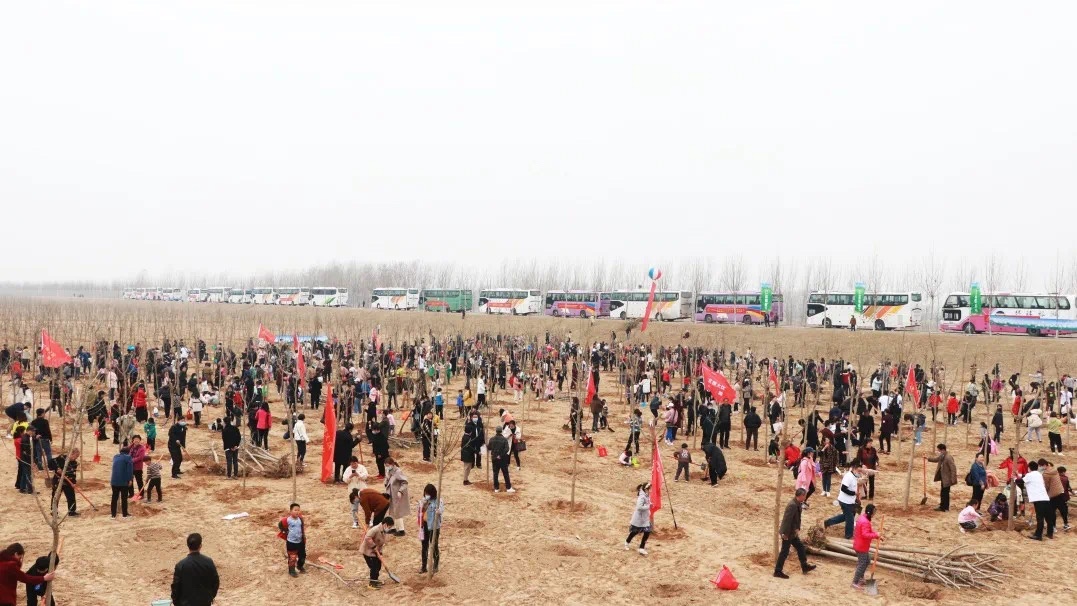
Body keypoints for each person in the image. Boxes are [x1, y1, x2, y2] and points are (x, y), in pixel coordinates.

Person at [774, 488, 816, 579]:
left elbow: (796, 518)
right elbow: (787, 520)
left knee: (800, 547)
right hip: (788, 533)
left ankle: (804, 566)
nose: (805, 497)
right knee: (784, 552)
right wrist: (784, 534)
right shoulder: (792, 505)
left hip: (792, 532)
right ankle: (777, 571)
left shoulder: (797, 503)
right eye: (804, 496)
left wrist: (797, 529)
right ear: (801, 496)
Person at [170, 533, 219, 606]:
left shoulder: (180, 565)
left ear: (188, 545)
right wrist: (210, 597)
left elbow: (175, 588)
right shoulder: (208, 562)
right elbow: (215, 582)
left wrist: (177, 603)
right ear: (200, 545)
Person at [824, 461, 863, 539]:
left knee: (846, 516)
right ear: (854, 468)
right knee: (850, 519)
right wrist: (854, 493)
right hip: (845, 501)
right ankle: (848, 535)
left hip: (851, 501)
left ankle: (828, 522)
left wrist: (856, 498)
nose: (859, 473)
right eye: (859, 471)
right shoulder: (848, 476)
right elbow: (843, 489)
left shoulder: (854, 476)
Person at [851, 503, 882, 590]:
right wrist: (876, 534)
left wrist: (877, 536)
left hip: (860, 545)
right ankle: (855, 582)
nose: (874, 514)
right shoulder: (865, 522)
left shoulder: (863, 518)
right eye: (874, 512)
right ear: (871, 513)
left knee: (867, 561)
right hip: (861, 547)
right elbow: (865, 534)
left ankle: (860, 578)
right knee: (862, 564)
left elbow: (868, 531)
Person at [362, 517, 395, 589]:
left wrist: (380, 553)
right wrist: (373, 546)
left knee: (378, 566)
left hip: (376, 552)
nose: (389, 529)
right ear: (385, 524)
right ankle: (372, 584)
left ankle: (375, 580)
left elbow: (380, 543)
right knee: (374, 567)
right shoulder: (375, 529)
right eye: (389, 527)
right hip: (368, 551)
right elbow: (367, 538)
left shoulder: (383, 531)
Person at [1024, 460, 1051, 540]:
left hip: (1038, 499)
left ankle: (1038, 535)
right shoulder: (1039, 474)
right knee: (1047, 517)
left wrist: (1014, 478)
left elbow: (1021, 481)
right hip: (1045, 498)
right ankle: (1050, 534)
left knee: (1040, 518)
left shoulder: (1030, 475)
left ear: (1029, 468)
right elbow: (1023, 477)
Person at [419, 484, 443, 574]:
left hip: (434, 527)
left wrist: (439, 511)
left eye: (428, 493)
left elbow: (441, 510)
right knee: (424, 546)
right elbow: (420, 511)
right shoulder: (424, 500)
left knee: (434, 545)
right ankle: (423, 566)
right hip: (425, 525)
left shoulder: (438, 500)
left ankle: (435, 565)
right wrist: (423, 505)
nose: (426, 495)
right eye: (425, 493)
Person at [278, 503, 307, 576]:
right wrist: (285, 532)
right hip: (291, 542)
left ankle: (300, 566)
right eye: (295, 510)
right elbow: (280, 525)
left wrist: (303, 538)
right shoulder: (287, 520)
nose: (297, 512)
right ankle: (291, 571)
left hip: (300, 542)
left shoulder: (300, 519)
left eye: (298, 510)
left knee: (302, 556)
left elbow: (302, 528)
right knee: (292, 557)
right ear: (291, 511)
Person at [48, 448, 79, 516]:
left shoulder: (74, 463)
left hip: (68, 482)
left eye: (77, 456)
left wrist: (74, 483)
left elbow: (73, 474)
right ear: (71, 454)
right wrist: (57, 469)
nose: (76, 458)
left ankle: (72, 511)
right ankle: (54, 511)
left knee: (71, 496)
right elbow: (50, 462)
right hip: (58, 481)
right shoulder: (61, 458)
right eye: (76, 456)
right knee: (56, 497)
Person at [927, 443, 957, 512]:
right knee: (943, 493)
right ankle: (942, 506)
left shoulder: (948, 457)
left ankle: (945, 508)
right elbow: (936, 459)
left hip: (947, 479)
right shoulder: (942, 455)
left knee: (945, 493)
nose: (938, 452)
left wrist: (953, 479)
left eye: (939, 450)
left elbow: (953, 468)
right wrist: (928, 458)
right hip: (943, 478)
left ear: (943, 450)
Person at [624, 483, 652, 555]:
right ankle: (627, 542)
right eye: (649, 489)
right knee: (635, 532)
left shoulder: (647, 495)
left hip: (645, 518)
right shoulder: (641, 497)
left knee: (647, 532)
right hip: (639, 518)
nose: (650, 490)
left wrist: (650, 504)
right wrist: (648, 506)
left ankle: (641, 548)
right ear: (646, 489)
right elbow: (639, 507)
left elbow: (647, 503)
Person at [384, 458, 410, 535]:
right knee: (391, 511)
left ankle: (401, 530)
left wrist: (400, 491)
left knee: (398, 512)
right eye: (385, 465)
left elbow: (405, 482)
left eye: (387, 465)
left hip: (397, 495)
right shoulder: (388, 471)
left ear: (392, 464)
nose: (386, 467)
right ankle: (393, 528)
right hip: (391, 494)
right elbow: (387, 481)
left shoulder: (398, 472)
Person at [110, 446, 133, 519]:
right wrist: (130, 479)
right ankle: (124, 515)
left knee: (114, 498)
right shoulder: (128, 457)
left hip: (114, 481)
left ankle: (113, 515)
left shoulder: (115, 457)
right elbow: (129, 470)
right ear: (128, 452)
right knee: (124, 498)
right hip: (123, 481)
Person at [487, 429, 514, 493]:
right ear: (501, 431)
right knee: (505, 473)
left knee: (495, 473)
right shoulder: (504, 439)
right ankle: (508, 488)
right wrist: (500, 455)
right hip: (502, 459)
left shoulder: (492, 439)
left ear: (496, 431)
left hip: (494, 458)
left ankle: (496, 488)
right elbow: (507, 449)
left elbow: (489, 447)